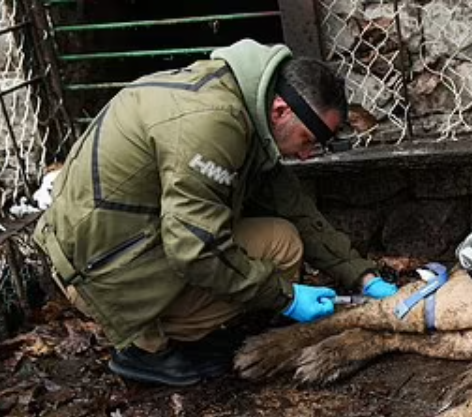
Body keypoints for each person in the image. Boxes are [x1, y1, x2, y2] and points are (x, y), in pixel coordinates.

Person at [32, 39, 398, 387]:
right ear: (281, 111)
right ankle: (148, 348)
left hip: (112, 245)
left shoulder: (239, 101)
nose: (307, 155)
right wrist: (284, 296)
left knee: (281, 235)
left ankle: (187, 325)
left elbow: (293, 206)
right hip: (98, 274)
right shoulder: (214, 125)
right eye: (309, 140)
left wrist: (361, 277)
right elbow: (195, 249)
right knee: (279, 248)